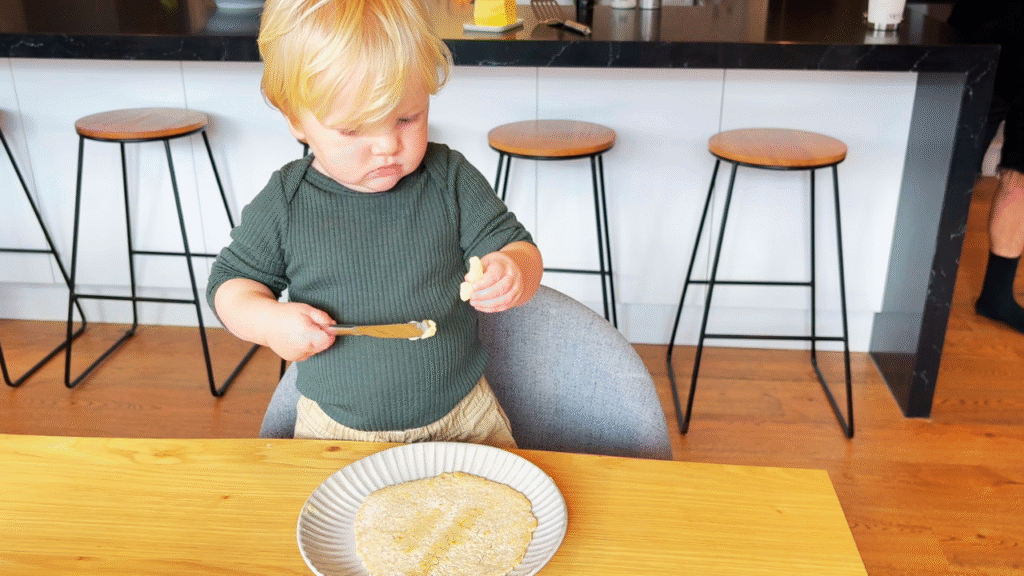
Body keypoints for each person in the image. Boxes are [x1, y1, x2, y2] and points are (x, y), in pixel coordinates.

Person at [207, 0, 542, 447]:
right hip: (335, 431)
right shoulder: (287, 202)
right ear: (296, 121)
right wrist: (268, 321)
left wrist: (514, 270)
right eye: (353, 130)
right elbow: (230, 285)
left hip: (464, 419)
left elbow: (520, 248)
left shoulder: (449, 178)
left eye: (407, 118)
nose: (387, 145)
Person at [949, 2, 1024, 334]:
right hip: (986, 41)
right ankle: (911, 289)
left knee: (1021, 174)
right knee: (947, 170)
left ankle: (997, 295)